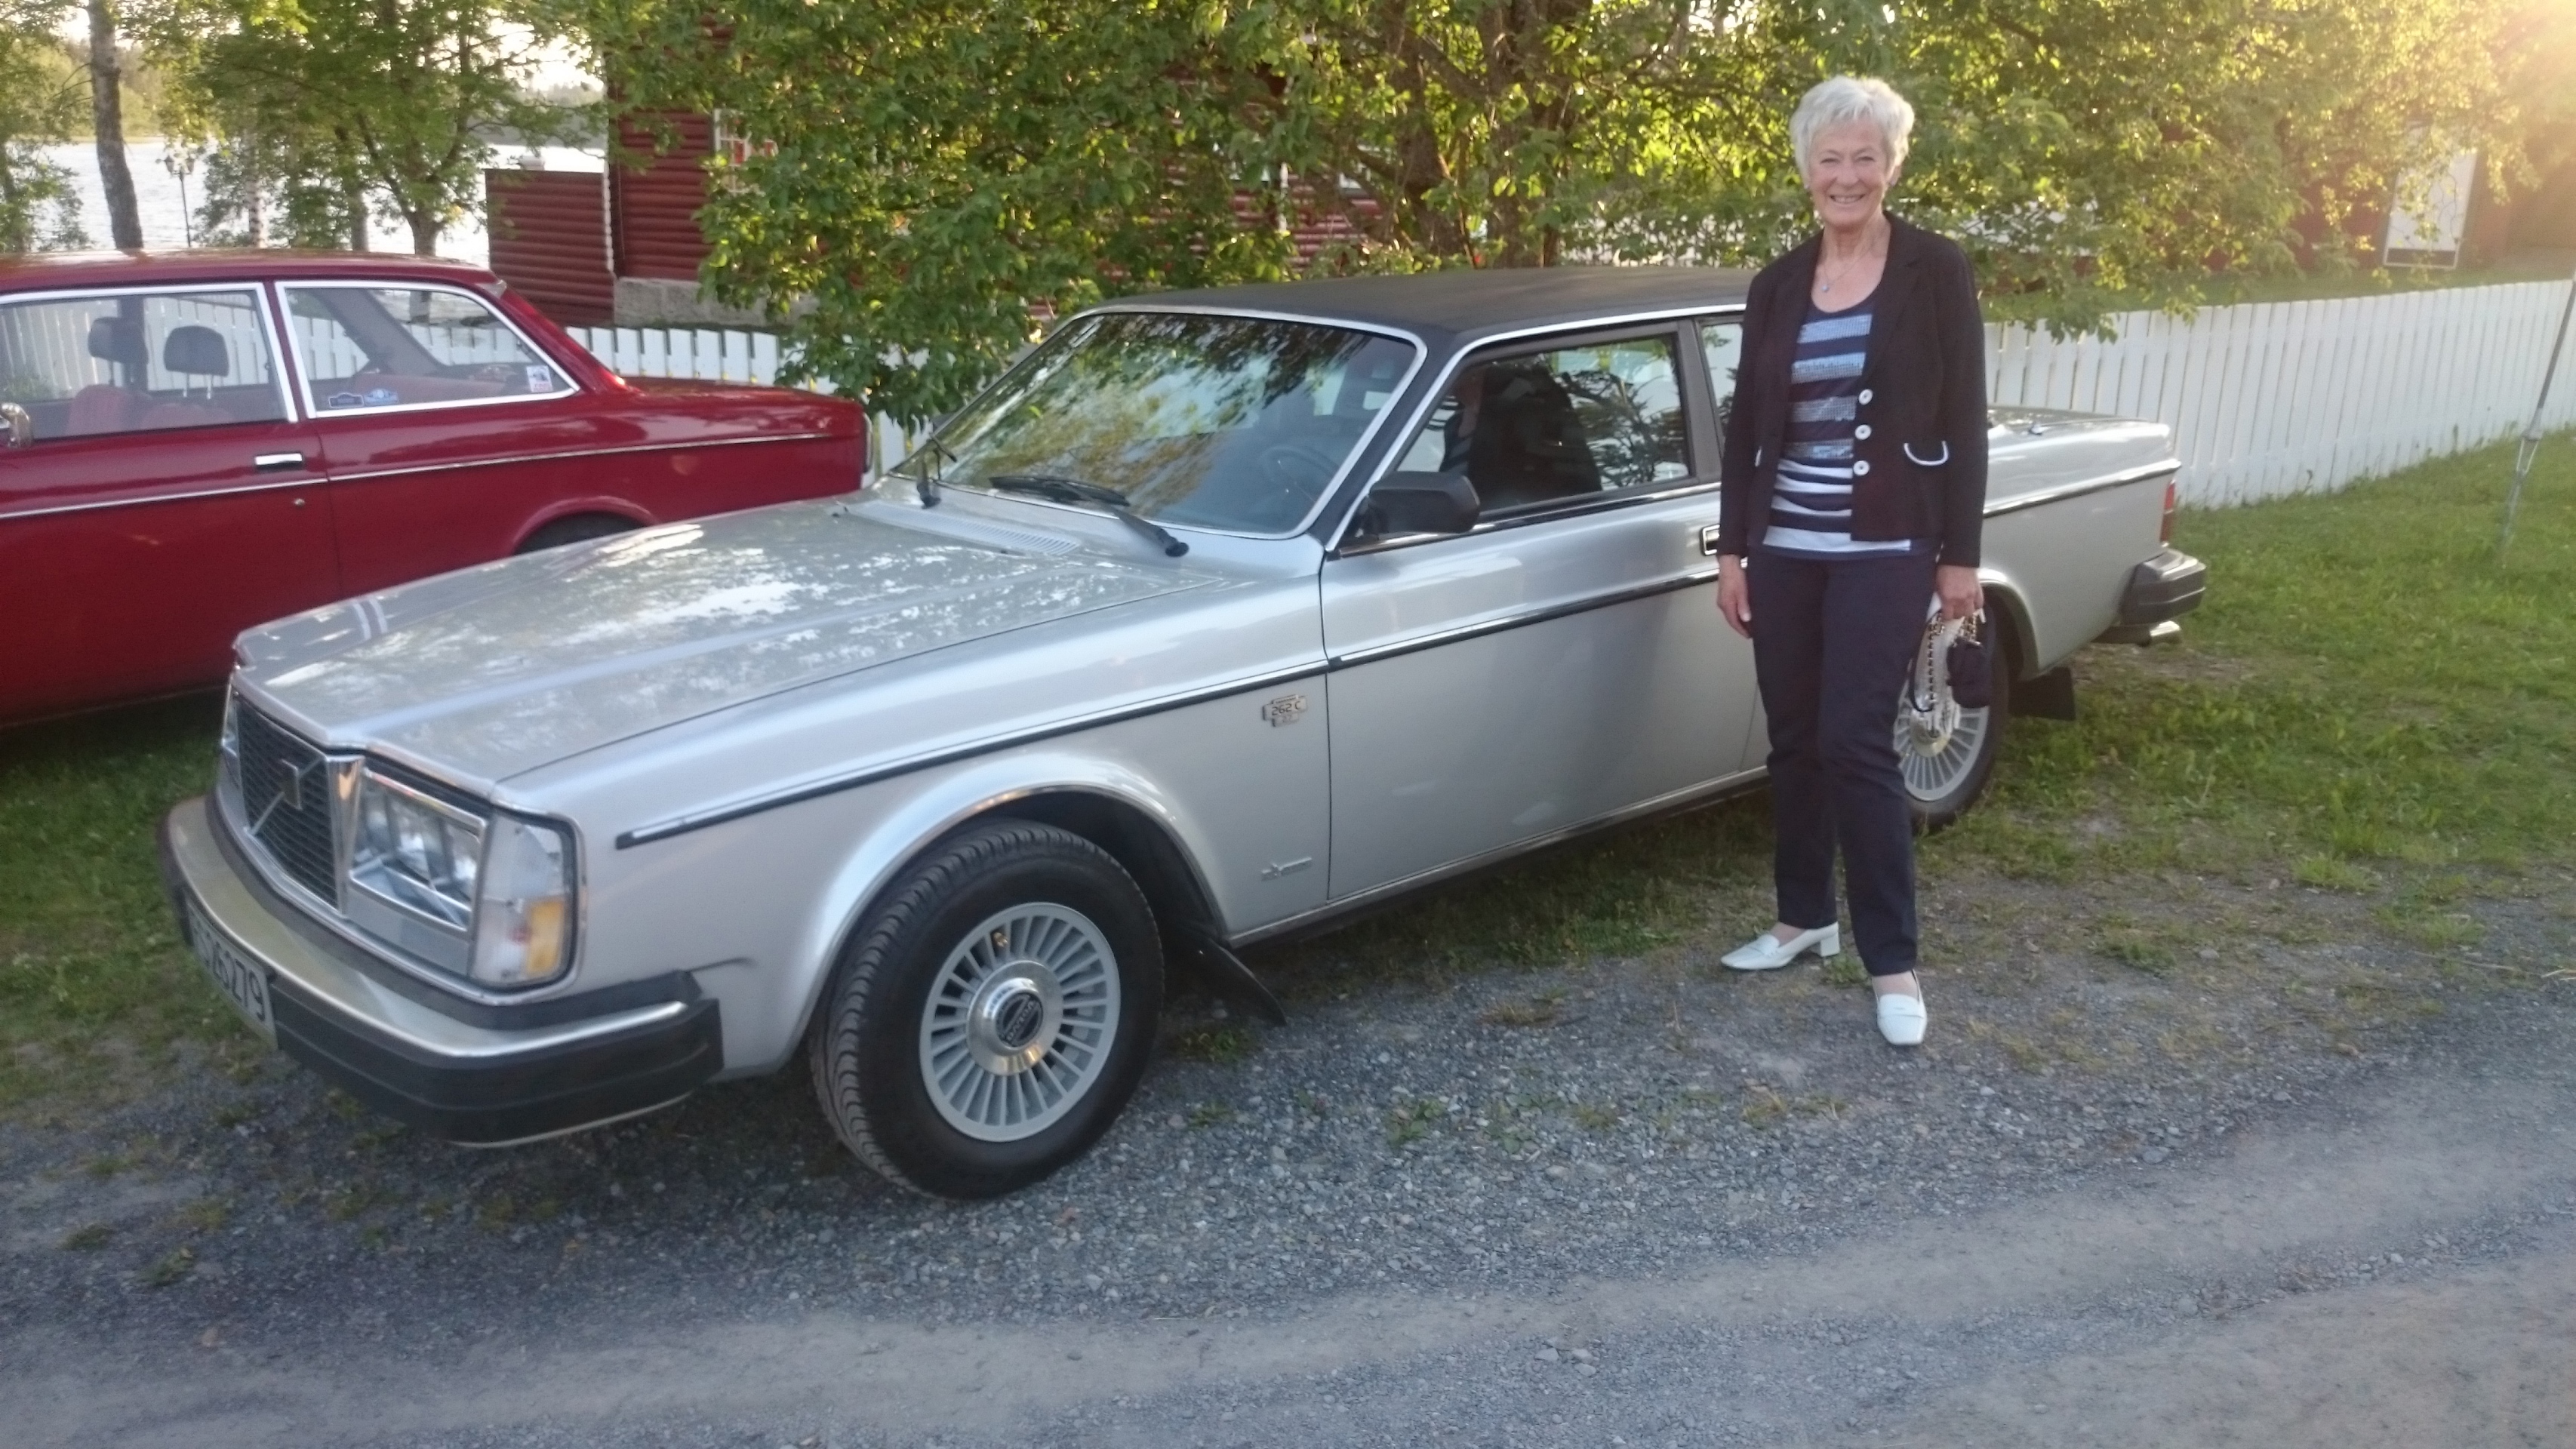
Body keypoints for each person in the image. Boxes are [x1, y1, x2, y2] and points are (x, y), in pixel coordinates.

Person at [1711, 75, 1989, 1047]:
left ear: (1892, 167)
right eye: (1829, 159)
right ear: (1806, 171)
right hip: (1785, 547)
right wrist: (1734, 549)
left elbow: (1964, 417)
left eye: (1865, 158)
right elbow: (1747, 426)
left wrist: (1960, 558)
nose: (1847, 176)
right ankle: (1803, 918)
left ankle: (1893, 962)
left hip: (1886, 545)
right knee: (1793, 737)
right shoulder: (1777, 285)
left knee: (1855, 742)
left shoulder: (1934, 269)